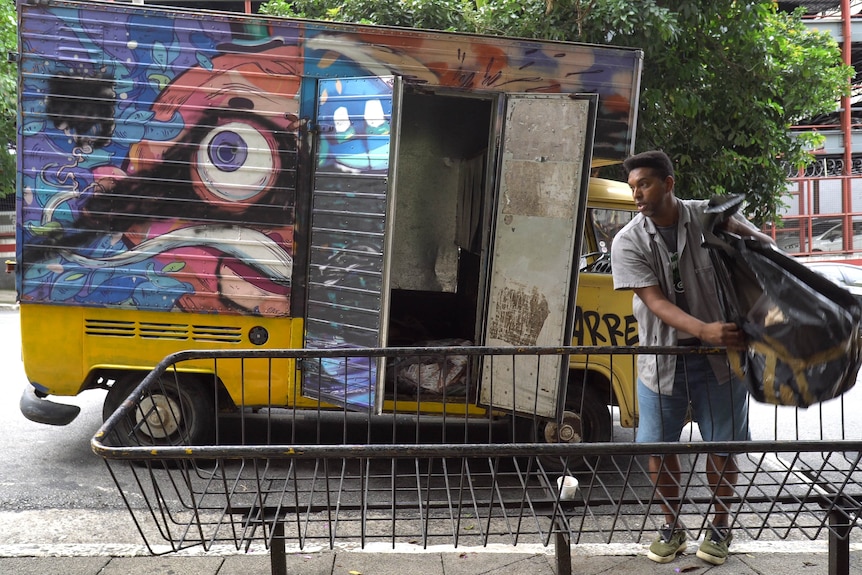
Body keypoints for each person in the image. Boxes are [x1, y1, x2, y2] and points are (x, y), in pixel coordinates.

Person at [610, 150, 775, 565]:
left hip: (722, 362)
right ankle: (672, 526)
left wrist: (741, 239)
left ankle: (719, 526)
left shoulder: (708, 216)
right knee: (658, 449)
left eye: (644, 184)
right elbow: (654, 301)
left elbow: (766, 248)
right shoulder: (628, 240)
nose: (637, 195)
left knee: (722, 447)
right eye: (632, 187)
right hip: (661, 363)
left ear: (668, 183)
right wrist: (704, 329)